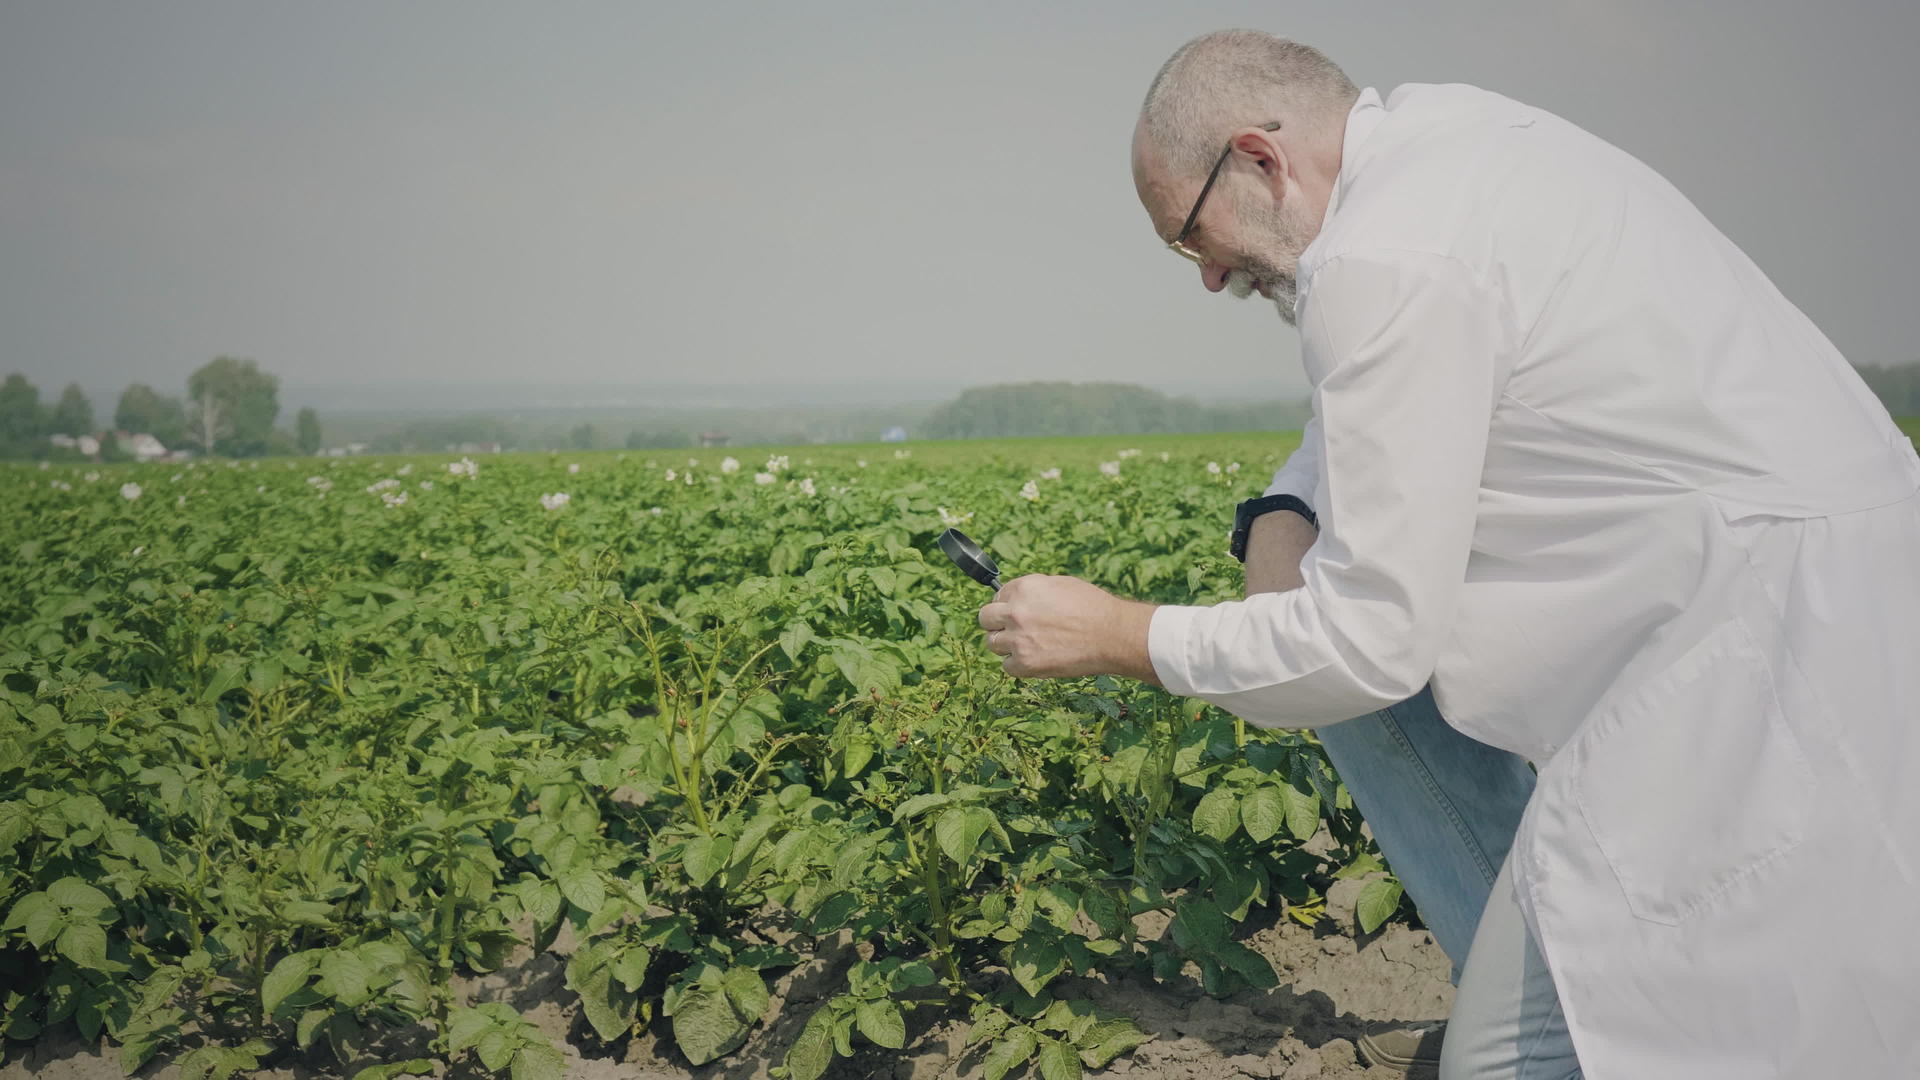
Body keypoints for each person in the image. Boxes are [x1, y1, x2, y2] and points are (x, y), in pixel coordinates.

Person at [974, 29, 1920, 1080]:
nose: (1207, 277)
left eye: (1189, 237)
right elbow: (1362, 426)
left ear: (1257, 158)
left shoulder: (1384, 259)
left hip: (1745, 660)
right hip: (1799, 598)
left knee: (1528, 1055)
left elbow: (1366, 643)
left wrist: (1115, 633)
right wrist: (1279, 513)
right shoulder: (1443, 148)